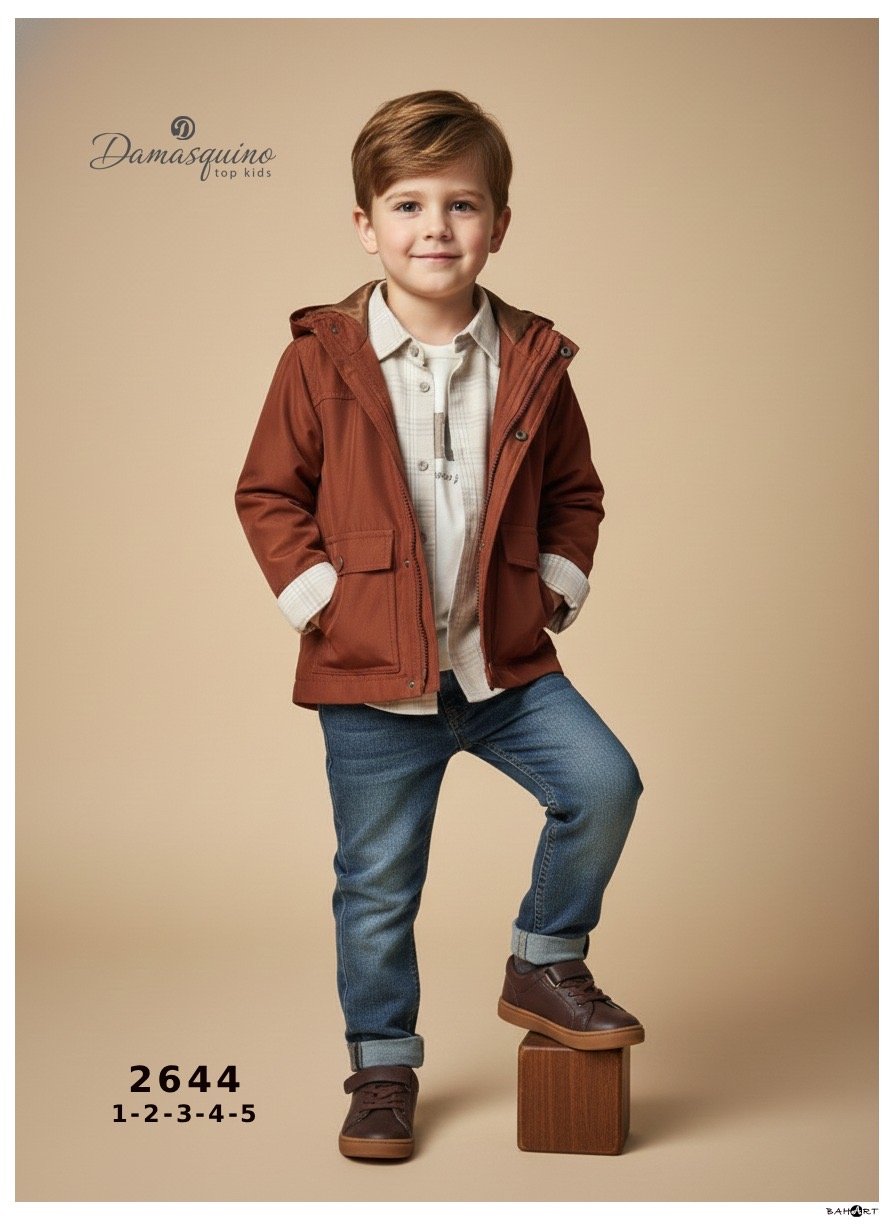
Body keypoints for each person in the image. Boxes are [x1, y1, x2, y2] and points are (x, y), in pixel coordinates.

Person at [234, 89, 645, 1162]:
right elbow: (268, 493)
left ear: (497, 224)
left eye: (461, 205)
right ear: (365, 225)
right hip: (372, 680)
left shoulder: (532, 357)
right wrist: (324, 604)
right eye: (407, 205)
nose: (435, 228)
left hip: (500, 665)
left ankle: (544, 960)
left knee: (604, 784)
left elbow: (575, 492)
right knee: (376, 886)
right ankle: (381, 1070)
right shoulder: (319, 358)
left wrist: (551, 589)